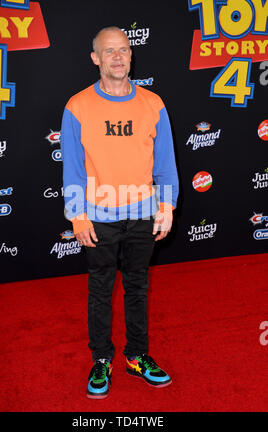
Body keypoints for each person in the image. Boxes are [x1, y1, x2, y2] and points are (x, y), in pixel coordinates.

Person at [60, 26, 179, 399]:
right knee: (100, 288)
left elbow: (165, 163)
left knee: (138, 286)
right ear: (95, 58)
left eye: (123, 50)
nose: (117, 57)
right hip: (98, 217)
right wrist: (78, 216)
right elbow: (73, 169)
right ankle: (102, 359)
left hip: (143, 214)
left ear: (131, 55)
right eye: (108, 51)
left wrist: (167, 206)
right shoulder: (77, 106)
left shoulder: (153, 103)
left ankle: (137, 355)